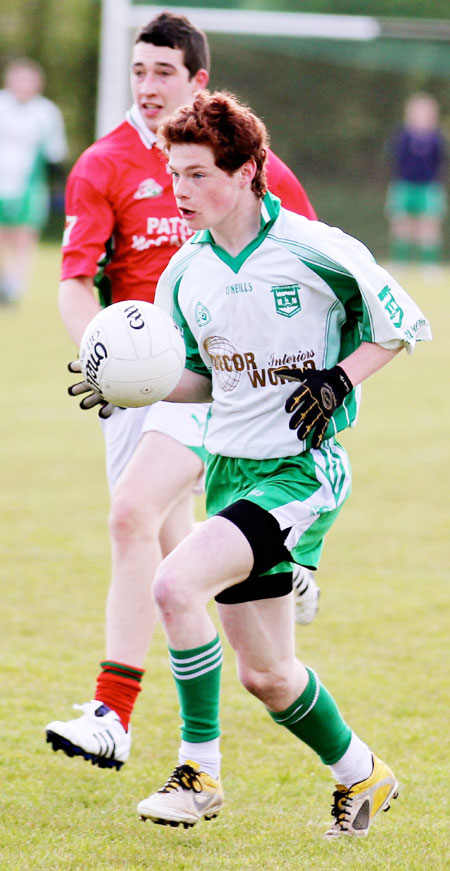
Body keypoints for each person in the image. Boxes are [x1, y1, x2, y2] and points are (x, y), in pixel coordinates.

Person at [134, 90, 431, 838]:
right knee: (265, 674)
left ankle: (198, 771)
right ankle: (363, 771)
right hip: (231, 472)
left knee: (173, 584)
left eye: (198, 175)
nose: (181, 191)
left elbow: (403, 323)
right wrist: (129, 383)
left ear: (248, 171)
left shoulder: (316, 248)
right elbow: (203, 376)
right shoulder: (186, 272)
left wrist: (339, 378)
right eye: (175, 175)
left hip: (301, 471)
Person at [45, 11, 318, 771]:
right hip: (137, 385)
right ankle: (274, 567)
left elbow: (310, 254)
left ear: (198, 80)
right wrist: (102, 355)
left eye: (164, 72)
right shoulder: (103, 165)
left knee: (133, 514)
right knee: (175, 557)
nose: (148, 85)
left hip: (215, 380)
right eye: (139, 71)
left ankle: (113, 711)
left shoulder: (238, 159)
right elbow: (74, 285)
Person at [0, 58, 67, 305]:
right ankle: (3, 282)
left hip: (29, 187)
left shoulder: (46, 113)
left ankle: (15, 287)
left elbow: (55, 154)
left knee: (23, 237)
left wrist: (57, 189)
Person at [386, 92, 447, 268]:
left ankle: (429, 265)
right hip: (404, 186)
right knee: (402, 224)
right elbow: (395, 161)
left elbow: (440, 163)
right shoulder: (402, 137)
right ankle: (400, 263)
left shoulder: (437, 139)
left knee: (429, 225)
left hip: (429, 187)